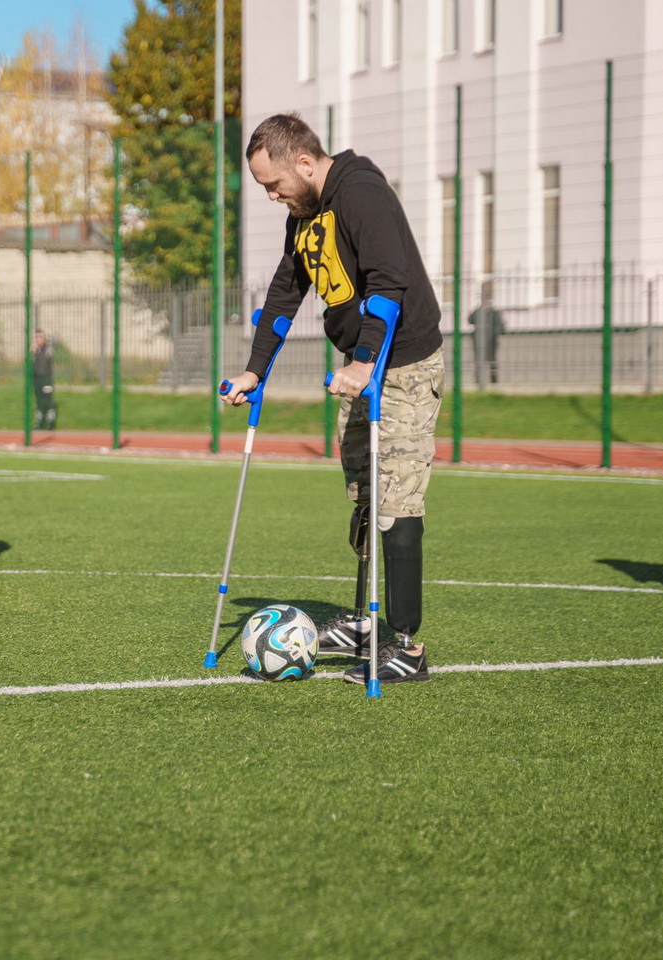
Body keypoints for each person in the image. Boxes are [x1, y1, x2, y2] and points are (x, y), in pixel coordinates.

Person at [221, 113, 444, 686]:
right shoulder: (305, 214)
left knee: (397, 501)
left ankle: (407, 645)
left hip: (401, 365)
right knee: (366, 498)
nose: (271, 196)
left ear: (302, 160)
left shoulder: (361, 191)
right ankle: (364, 627)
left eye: (274, 184)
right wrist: (254, 371)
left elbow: (388, 283)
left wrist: (367, 362)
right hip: (362, 366)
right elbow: (284, 291)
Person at [468, 281, 504, 386]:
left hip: (491, 340)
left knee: (492, 360)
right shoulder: (478, 311)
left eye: (486, 299)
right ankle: (479, 380)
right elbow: (470, 319)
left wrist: (494, 331)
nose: (485, 302)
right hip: (479, 340)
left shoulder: (494, 312)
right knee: (479, 361)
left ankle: (494, 380)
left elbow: (500, 325)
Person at [32, 329, 58, 429]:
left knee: (48, 400)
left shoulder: (48, 349)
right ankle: (40, 422)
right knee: (39, 401)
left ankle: (51, 422)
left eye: (40, 337)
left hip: (47, 378)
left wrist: (46, 335)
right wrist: (31, 352)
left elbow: (56, 341)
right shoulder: (35, 350)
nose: (38, 339)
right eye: (36, 337)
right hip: (37, 379)